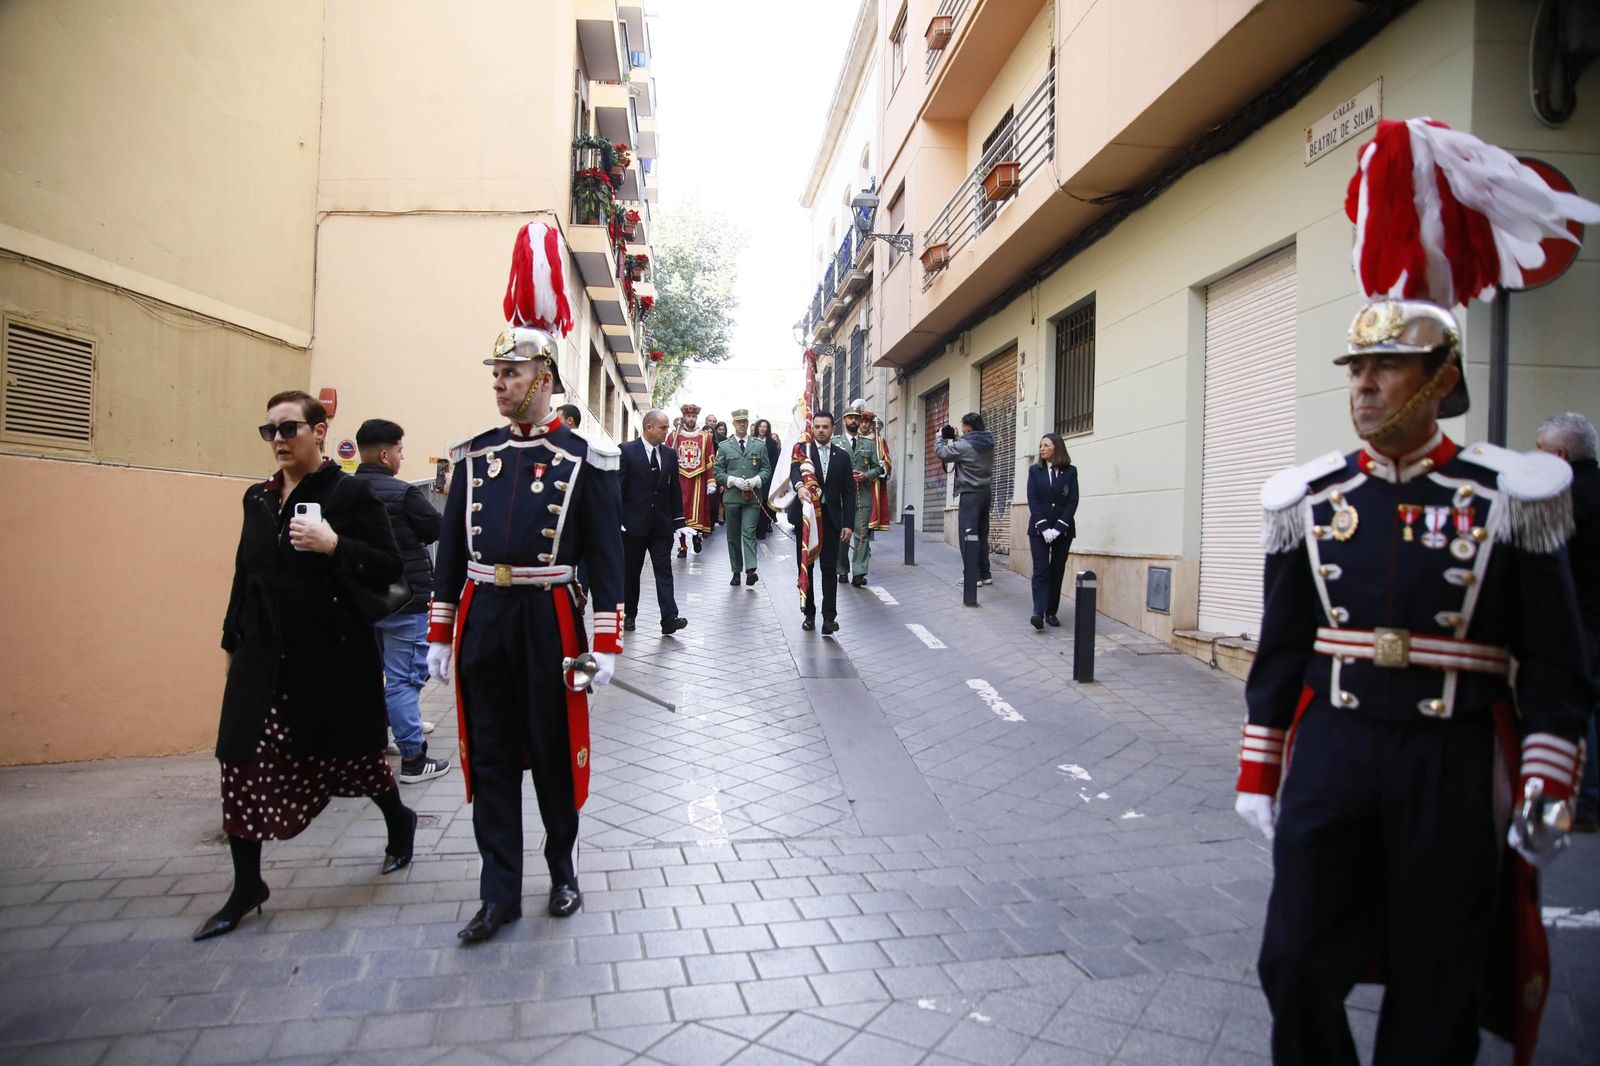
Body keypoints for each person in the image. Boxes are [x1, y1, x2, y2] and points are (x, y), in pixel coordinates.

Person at [1237, 118, 1598, 1066]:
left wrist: (1547, 784)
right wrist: (1259, 765)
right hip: (1338, 748)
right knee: (1294, 961)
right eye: (1356, 368)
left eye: (1385, 366)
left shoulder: (1513, 497)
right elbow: (1282, 653)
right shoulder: (1311, 502)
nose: (1363, 386)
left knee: (1438, 977)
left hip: (1455, 754)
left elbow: (1559, 666)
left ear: (1441, 380)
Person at [427, 221, 625, 942]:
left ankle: (563, 871)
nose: (499, 384)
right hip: (485, 619)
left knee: (549, 757)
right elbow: (451, 553)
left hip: (551, 622)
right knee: (491, 759)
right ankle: (498, 895)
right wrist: (441, 631)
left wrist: (605, 645)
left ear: (544, 379)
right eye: (495, 374)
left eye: (510, 373)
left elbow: (607, 559)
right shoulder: (474, 457)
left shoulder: (584, 459)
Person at [203, 390, 416, 940]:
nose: (278, 440)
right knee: (239, 761)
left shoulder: (349, 495)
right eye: (269, 431)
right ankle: (247, 884)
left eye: (289, 429)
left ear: (320, 432)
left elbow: (391, 567)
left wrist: (334, 544)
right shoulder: (258, 499)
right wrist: (231, 642)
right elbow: (243, 575)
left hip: (330, 658)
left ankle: (399, 818)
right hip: (262, 656)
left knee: (355, 760)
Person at [354, 419, 451, 783]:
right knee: (403, 679)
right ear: (384, 454)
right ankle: (413, 757)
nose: (401, 456)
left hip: (361, 600)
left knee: (370, 674)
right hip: (404, 598)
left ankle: (379, 738)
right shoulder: (404, 493)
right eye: (399, 450)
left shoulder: (342, 492)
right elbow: (436, 530)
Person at [1537, 411, 1600, 831]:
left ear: (1560, 455)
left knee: (1581, 711)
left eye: (1540, 452)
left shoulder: (1561, 500)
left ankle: (1587, 804)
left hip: (1581, 623)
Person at [620, 409, 690, 635]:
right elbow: (617, 488)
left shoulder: (669, 454)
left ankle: (669, 618)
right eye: (663, 427)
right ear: (649, 427)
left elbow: (674, 490)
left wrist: (679, 522)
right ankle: (629, 614)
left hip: (661, 525)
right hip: (633, 525)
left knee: (664, 570)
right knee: (631, 572)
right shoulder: (627, 451)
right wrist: (617, 518)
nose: (666, 432)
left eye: (668, 427)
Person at [789, 411, 856, 634]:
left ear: (832, 429)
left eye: (825, 427)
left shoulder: (843, 457)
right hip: (808, 519)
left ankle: (829, 618)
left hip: (831, 519)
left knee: (829, 569)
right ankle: (809, 614)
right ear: (812, 428)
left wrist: (848, 524)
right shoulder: (803, 453)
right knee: (806, 567)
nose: (820, 430)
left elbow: (849, 494)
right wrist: (799, 488)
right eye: (817, 426)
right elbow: (794, 473)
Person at [933, 412, 995, 593]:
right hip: (985, 493)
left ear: (968, 427)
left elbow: (942, 453)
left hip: (970, 494)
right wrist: (956, 437)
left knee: (967, 535)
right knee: (982, 535)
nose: (962, 430)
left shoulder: (964, 445)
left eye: (963, 427)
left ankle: (972, 576)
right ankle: (985, 574)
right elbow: (970, 445)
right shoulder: (988, 441)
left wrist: (939, 438)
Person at [1025, 433, 1078, 630]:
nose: (1042, 449)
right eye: (1040, 445)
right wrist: (1044, 527)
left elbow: (1072, 501)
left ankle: (1051, 612)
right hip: (1039, 530)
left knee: (1057, 571)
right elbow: (1033, 499)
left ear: (1057, 447)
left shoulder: (1071, 472)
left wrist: (1058, 528)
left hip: (1062, 532)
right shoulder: (1035, 471)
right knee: (1041, 570)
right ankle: (1038, 612)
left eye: (1046, 445)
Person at [713, 408, 771, 586]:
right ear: (733, 423)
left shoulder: (759, 445)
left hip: (752, 498)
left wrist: (756, 480)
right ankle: (736, 571)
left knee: (749, 532)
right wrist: (732, 480)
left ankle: (751, 570)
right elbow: (717, 471)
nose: (742, 425)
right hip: (732, 498)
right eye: (739, 422)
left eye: (745, 421)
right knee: (733, 536)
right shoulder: (724, 446)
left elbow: (766, 469)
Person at [836, 399, 884, 588]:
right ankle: (841, 569)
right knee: (843, 535)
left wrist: (866, 475)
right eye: (850, 418)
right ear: (844, 421)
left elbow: (878, 469)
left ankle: (859, 572)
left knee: (862, 535)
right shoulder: (835, 443)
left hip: (862, 496)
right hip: (840, 498)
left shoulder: (869, 444)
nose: (854, 421)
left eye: (857, 417)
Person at [665, 401, 714, 556]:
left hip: (698, 480)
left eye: (693, 416)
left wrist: (711, 480)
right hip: (678, 478)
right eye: (688, 416)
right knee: (679, 511)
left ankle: (696, 538)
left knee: (696, 512)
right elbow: (666, 456)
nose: (691, 419)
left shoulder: (705, 437)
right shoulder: (673, 435)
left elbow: (710, 459)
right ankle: (682, 546)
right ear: (683, 417)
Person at [864, 409, 894, 539]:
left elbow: (886, 459)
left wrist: (883, 465)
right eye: (862, 421)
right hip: (856, 481)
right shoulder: (853, 439)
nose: (864, 424)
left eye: (867, 422)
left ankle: (864, 543)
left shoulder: (879, 441)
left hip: (872, 482)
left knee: (870, 513)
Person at [754, 418, 781, 540]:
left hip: (767, 478)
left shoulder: (772, 443)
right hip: (753, 477)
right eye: (760, 426)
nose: (762, 429)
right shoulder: (751, 441)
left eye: (765, 427)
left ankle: (763, 528)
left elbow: (775, 462)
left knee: (764, 503)